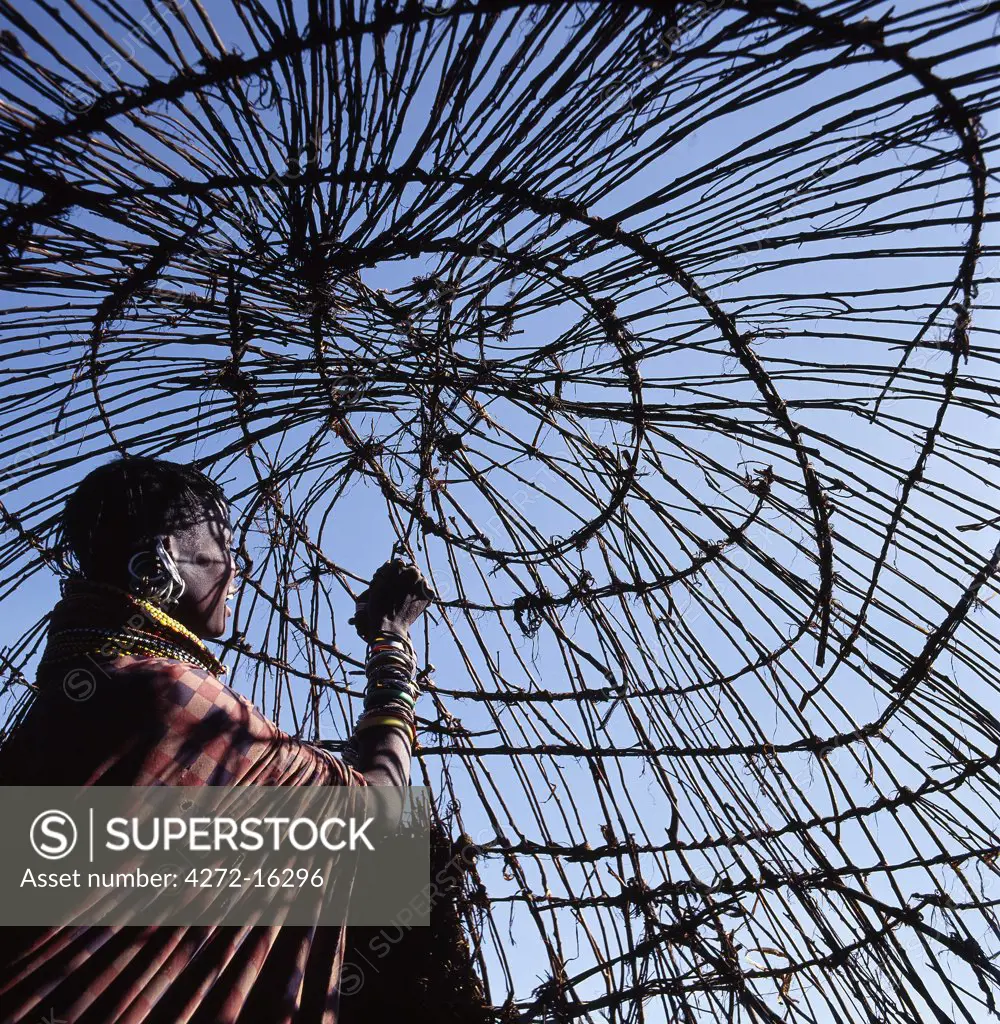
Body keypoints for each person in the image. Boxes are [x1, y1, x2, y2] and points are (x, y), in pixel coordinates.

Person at [0, 455, 434, 1023]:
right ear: (164, 559)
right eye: (224, 549)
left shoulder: (73, 691)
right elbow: (374, 813)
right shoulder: (168, 698)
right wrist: (392, 645)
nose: (238, 571)